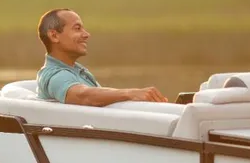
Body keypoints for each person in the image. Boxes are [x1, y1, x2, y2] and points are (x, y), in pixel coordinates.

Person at [36, 9, 168, 106]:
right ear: (54, 36)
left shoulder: (77, 70)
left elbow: (93, 93)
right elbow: (83, 96)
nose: (86, 34)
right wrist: (130, 93)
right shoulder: (55, 76)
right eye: (77, 28)